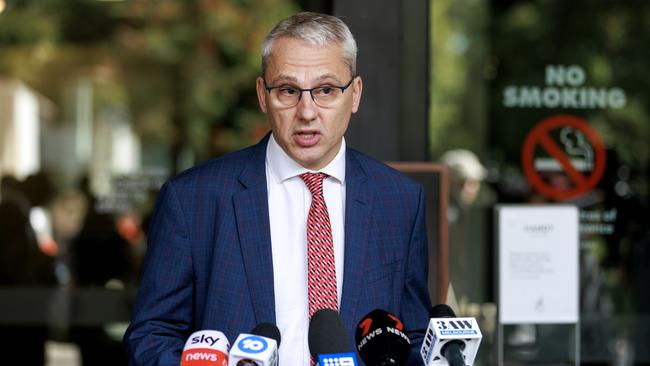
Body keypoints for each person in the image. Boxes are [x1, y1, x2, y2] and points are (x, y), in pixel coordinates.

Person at [124, 12, 431, 365]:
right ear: (262, 95)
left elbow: (415, 335)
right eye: (288, 90)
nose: (307, 111)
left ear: (355, 94)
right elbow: (151, 336)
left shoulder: (399, 201)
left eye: (326, 90)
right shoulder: (194, 199)